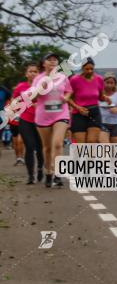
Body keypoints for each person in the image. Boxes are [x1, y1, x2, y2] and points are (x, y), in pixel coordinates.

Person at [33, 53, 71, 188]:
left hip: (61, 114)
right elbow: (33, 98)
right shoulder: (38, 78)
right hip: (43, 116)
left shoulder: (63, 77)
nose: (53, 61)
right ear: (44, 64)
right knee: (47, 147)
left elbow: (68, 91)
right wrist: (41, 88)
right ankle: (48, 172)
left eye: (55, 59)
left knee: (58, 144)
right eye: (49, 59)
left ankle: (57, 174)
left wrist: (66, 97)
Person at [11, 63, 45, 184]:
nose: (33, 73)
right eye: (30, 71)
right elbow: (14, 103)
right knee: (29, 147)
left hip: (41, 120)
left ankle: (40, 169)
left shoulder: (42, 87)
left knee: (40, 148)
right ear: (26, 74)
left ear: (39, 74)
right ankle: (31, 175)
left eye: (35, 71)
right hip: (25, 120)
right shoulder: (20, 87)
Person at [68, 58, 106, 144]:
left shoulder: (99, 79)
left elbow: (101, 97)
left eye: (91, 69)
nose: (89, 71)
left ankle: (90, 158)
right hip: (79, 113)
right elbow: (68, 98)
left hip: (94, 113)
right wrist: (77, 107)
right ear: (82, 68)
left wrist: (106, 98)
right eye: (87, 69)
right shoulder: (74, 80)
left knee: (92, 142)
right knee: (81, 145)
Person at [98, 74, 117, 143]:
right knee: (105, 146)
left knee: (113, 149)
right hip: (101, 122)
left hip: (115, 124)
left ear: (115, 84)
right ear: (103, 83)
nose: (109, 85)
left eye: (112, 83)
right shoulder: (98, 92)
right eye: (107, 83)